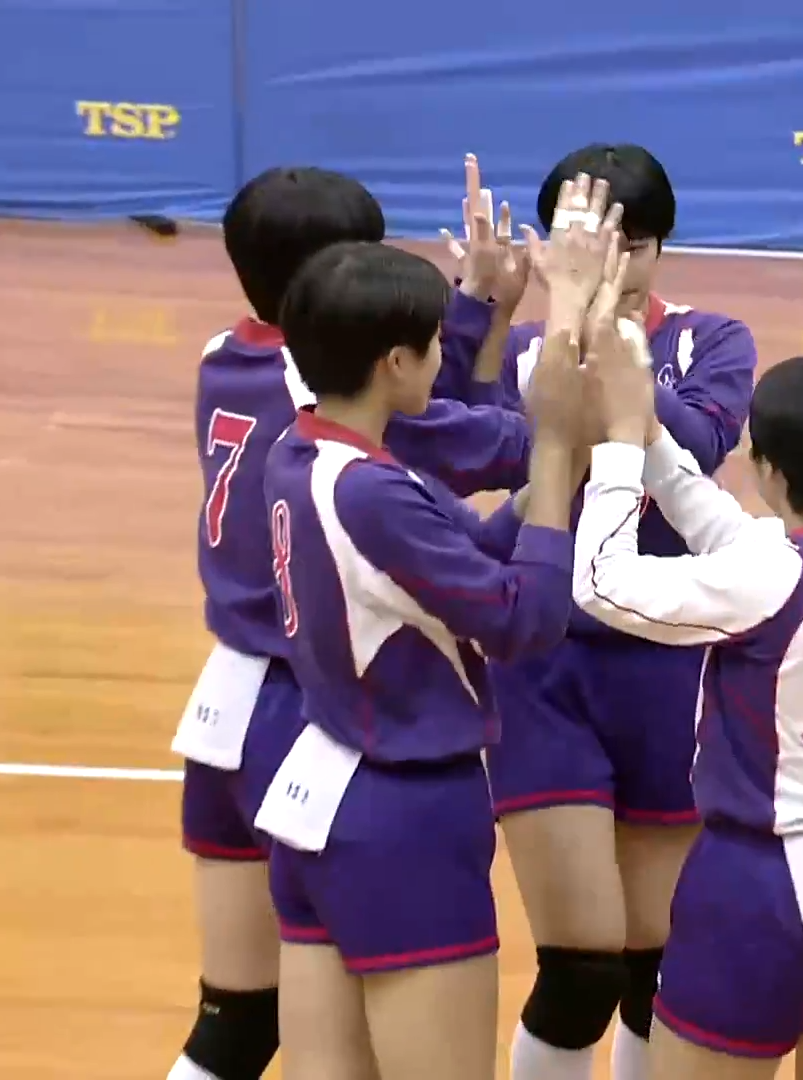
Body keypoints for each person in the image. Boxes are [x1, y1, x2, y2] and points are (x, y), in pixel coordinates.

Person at [167, 164, 533, 1080]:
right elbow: (486, 446)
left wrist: (472, 311)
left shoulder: (225, 355)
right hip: (309, 706)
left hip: (225, 701)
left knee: (237, 1024)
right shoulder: (324, 411)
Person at [425, 145, 759, 1080]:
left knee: (659, 968)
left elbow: (699, 440)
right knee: (581, 967)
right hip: (543, 666)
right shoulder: (523, 347)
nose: (616, 261)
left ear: (662, 247)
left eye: (634, 244)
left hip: (669, 664)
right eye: (592, 241)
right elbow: (459, 440)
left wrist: (603, 345)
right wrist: (488, 312)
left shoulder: (713, 339)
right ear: (553, 247)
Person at [255, 237, 595, 1079]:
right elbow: (523, 620)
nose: (446, 353)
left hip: (318, 797)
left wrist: (542, 492)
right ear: (396, 363)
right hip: (404, 817)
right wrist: (556, 452)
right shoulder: (373, 493)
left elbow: (454, 558)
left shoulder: (300, 453)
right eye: (437, 340)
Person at [568, 349, 803, 1079]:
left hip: (756, 885)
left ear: (772, 472)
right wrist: (653, 435)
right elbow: (734, 535)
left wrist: (618, 450)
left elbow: (602, 582)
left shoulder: (767, 578)